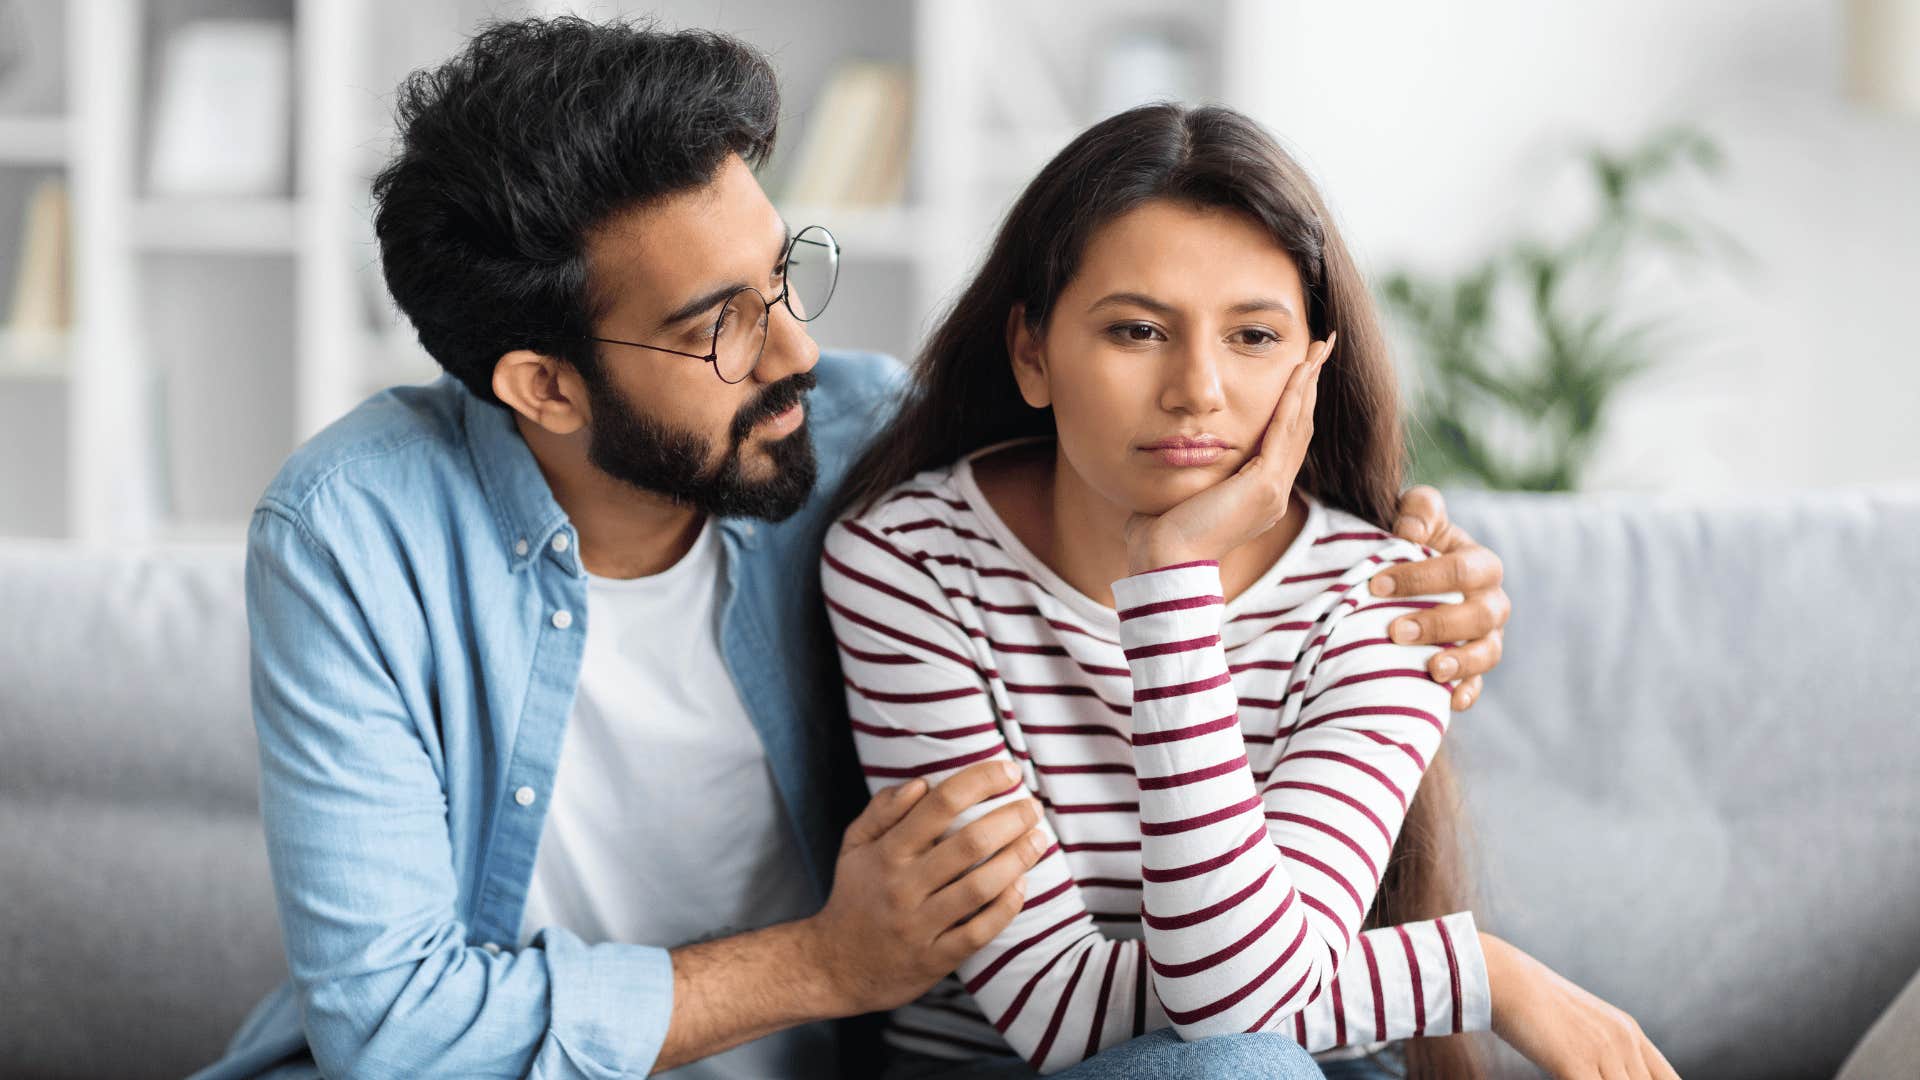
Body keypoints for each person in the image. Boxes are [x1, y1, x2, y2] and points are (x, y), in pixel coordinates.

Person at [189, 18, 1512, 1080]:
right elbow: (398, 1031)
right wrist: (826, 963)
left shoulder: (863, 441)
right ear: (543, 387)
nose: (798, 354)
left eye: (784, 275)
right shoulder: (353, 539)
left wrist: (1416, 561)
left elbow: (1164, 467)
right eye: (721, 326)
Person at [823, 103, 1678, 1080]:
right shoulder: (909, 562)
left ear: (1314, 364)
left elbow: (1250, 1009)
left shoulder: (1392, 598)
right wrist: (1472, 971)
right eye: (1138, 330)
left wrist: (1166, 581)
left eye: (1254, 337)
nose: (1197, 389)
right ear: (1032, 353)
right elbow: (1060, 1009)